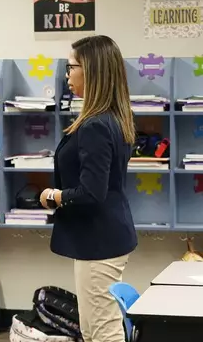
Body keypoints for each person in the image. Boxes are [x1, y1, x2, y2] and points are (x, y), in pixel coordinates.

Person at [39, 35, 137, 342]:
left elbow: (92, 192)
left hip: (99, 241)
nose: (67, 75)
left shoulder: (96, 124)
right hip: (104, 238)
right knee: (94, 328)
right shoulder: (113, 118)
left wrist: (55, 196)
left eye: (72, 67)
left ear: (92, 71)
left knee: (102, 332)